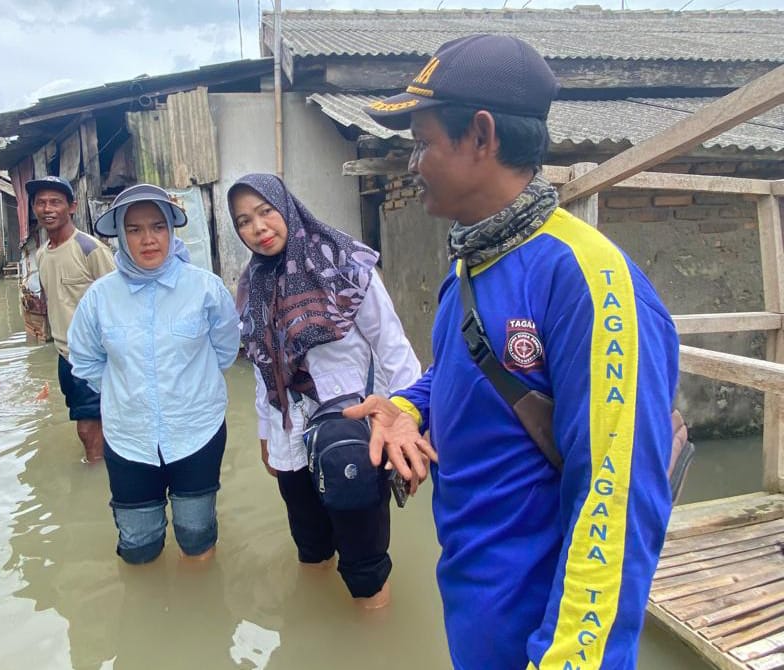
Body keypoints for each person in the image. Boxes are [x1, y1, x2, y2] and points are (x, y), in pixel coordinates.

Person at [350, 34, 680, 668]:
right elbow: (454, 373)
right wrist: (407, 407)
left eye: (422, 142)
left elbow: (615, 504)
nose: (412, 164)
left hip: (545, 640)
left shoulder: (588, 281)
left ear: (481, 135)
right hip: (478, 609)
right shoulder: (473, 263)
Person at [228, 173, 422, 609]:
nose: (257, 228)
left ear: (287, 208)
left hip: (351, 431)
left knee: (364, 567)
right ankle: (312, 630)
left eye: (265, 212)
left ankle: (372, 643)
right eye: (243, 221)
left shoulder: (346, 266)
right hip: (290, 435)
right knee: (311, 549)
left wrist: (409, 422)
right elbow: (264, 368)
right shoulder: (252, 287)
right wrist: (266, 436)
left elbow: (394, 349)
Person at [68, 184, 240, 564]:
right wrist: (125, 393)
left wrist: (189, 390)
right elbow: (85, 360)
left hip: (197, 430)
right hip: (128, 437)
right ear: (120, 236)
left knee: (196, 537)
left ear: (171, 230)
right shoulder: (99, 297)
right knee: (138, 545)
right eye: (134, 229)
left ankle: (196, 611)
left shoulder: (205, 289)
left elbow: (225, 350)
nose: (148, 239)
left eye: (157, 227)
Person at [25, 175, 115, 463]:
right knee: (90, 422)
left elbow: (118, 301)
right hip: (65, 354)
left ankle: (92, 478)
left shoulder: (90, 249)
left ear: (72, 207)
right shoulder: (42, 255)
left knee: (89, 428)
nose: (47, 209)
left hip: (95, 355)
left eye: (55, 202)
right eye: (40, 203)